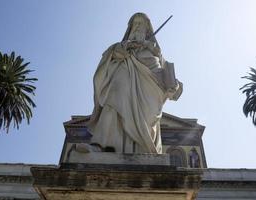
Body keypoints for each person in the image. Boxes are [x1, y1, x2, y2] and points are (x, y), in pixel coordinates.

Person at [78, 13, 182, 154]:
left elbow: (169, 80)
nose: (138, 27)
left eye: (141, 24)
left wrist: (174, 86)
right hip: (121, 87)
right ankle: (100, 145)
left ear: (147, 30)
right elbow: (107, 59)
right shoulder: (120, 46)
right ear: (130, 28)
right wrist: (124, 49)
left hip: (149, 96)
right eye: (136, 24)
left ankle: (143, 149)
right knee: (113, 100)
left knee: (141, 113)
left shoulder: (155, 52)